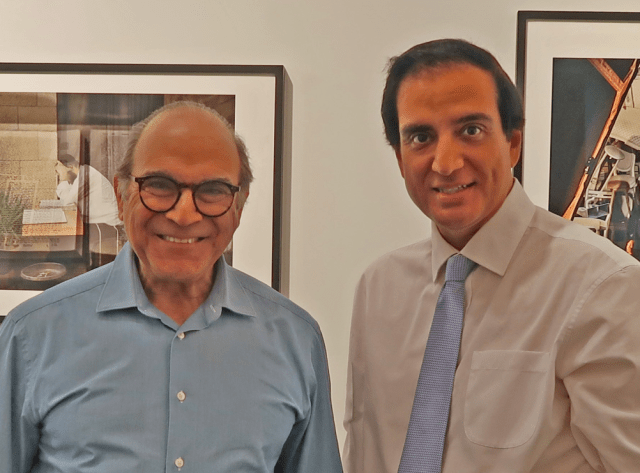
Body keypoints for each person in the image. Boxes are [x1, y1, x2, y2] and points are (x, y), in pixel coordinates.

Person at [343, 39, 640, 473]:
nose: (445, 163)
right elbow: (364, 452)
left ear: (513, 142)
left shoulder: (603, 286)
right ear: (400, 159)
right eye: (421, 137)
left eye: (470, 130)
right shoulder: (379, 288)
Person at [0, 101, 343, 472]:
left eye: (212, 189)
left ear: (239, 208)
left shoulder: (295, 340)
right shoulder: (32, 336)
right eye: (160, 185)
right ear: (121, 196)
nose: (184, 214)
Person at [55, 153, 122, 226]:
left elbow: (67, 202)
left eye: (58, 171)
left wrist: (62, 183)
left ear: (70, 166)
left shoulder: (85, 175)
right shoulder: (84, 172)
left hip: (110, 224)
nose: (57, 174)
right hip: (103, 221)